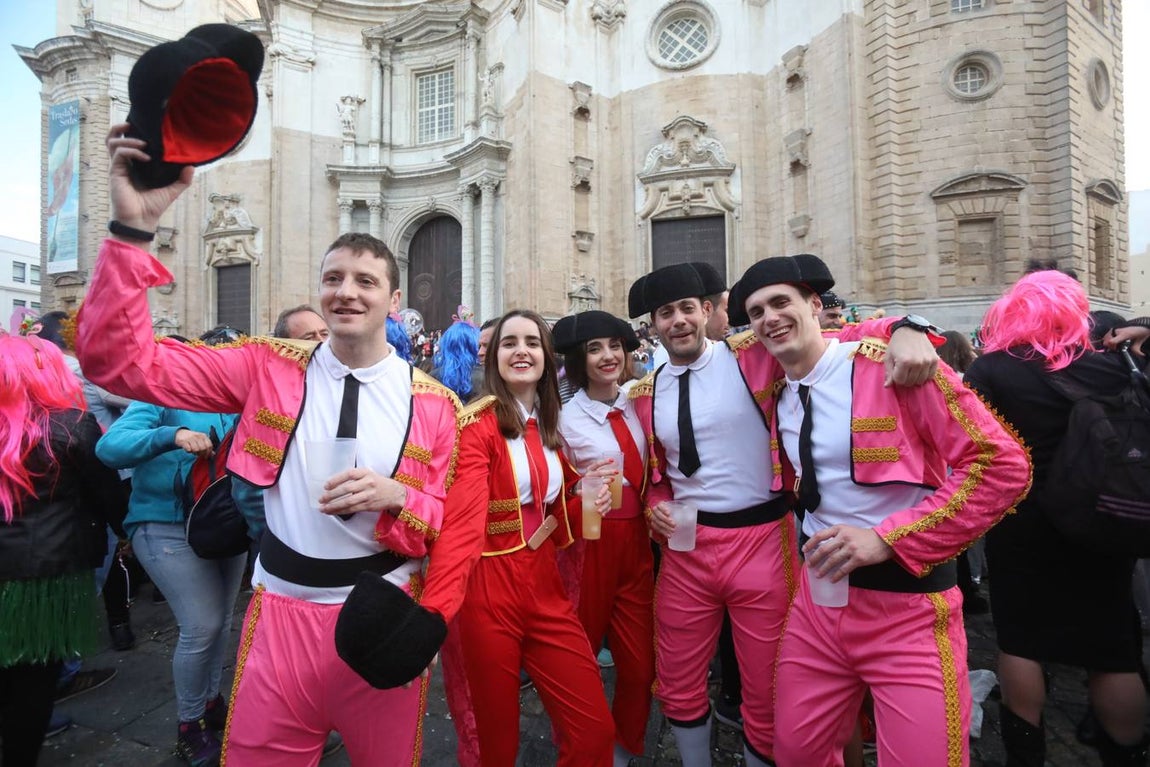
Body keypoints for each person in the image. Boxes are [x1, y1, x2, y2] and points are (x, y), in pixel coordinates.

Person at [76, 123, 464, 766]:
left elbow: (452, 523)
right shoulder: (264, 365)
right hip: (280, 612)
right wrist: (131, 230)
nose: (346, 292)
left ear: (394, 299)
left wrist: (399, 496)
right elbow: (118, 362)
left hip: (382, 616)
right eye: (333, 278)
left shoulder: (438, 404)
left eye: (365, 281)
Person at [630, 260, 940, 766]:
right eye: (666, 313)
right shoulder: (642, 394)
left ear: (707, 311)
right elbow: (657, 476)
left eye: (687, 309)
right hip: (686, 553)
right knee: (678, 676)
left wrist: (905, 327)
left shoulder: (752, 355)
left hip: (762, 541)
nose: (678, 321)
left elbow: (830, 335)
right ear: (654, 324)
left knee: (768, 683)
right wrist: (655, 505)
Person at [725, 255, 1030, 767]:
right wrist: (903, 324)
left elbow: (1003, 466)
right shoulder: (772, 378)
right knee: (798, 753)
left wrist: (889, 538)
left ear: (815, 304)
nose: (770, 318)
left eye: (781, 303)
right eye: (757, 312)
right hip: (818, 604)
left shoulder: (890, 366)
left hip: (910, 612)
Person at [965, 271, 1150, 767]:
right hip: (1101, 516)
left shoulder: (993, 369)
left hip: (1022, 520)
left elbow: (968, 446)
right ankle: (1127, 756)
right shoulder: (1110, 366)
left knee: (1021, 642)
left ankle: (1026, 757)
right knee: (1111, 649)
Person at [444, 309, 616, 766]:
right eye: (509, 343)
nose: (521, 351)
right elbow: (459, 526)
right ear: (493, 358)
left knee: (594, 731)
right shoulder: (475, 426)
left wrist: (584, 500)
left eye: (532, 342)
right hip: (486, 589)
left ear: (547, 357)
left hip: (544, 585)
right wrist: (434, 615)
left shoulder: (548, 426)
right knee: (495, 743)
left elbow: (553, 519)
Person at [95, 332, 257, 765]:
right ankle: (189, 724)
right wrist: (173, 434)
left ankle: (210, 702)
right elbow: (109, 447)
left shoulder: (239, 399)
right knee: (202, 625)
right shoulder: (159, 396)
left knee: (220, 623)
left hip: (225, 526)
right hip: (165, 526)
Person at [0, 333, 125, 766]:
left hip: (34, 571)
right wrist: (126, 532)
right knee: (33, 685)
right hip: (47, 578)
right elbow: (108, 494)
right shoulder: (72, 424)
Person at [553, 310, 656, 766]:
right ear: (579, 361)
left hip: (638, 543)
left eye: (614, 346)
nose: (608, 356)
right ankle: (580, 747)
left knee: (640, 665)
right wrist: (577, 486)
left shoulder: (640, 402)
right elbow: (552, 488)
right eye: (594, 349)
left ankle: (624, 747)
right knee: (579, 660)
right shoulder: (564, 419)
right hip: (588, 544)